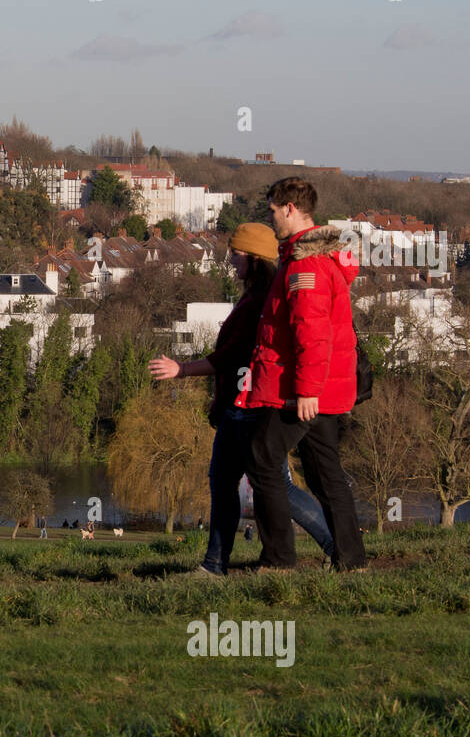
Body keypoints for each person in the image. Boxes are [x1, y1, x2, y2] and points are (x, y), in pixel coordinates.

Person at [149, 221, 334, 575]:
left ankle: (331, 546)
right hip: (243, 406)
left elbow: (233, 356)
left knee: (264, 484)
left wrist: (182, 369)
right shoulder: (257, 297)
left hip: (248, 408)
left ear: (252, 256)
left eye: (234, 254)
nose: (229, 260)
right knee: (232, 481)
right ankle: (215, 563)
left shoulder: (257, 302)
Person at [243, 177, 367, 572]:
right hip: (322, 389)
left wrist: (307, 390)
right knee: (325, 474)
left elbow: (311, 333)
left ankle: (279, 559)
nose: (271, 218)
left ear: (290, 210)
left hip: (302, 390)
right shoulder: (314, 259)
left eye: (273, 211)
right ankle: (352, 560)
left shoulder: (306, 266)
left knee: (263, 458)